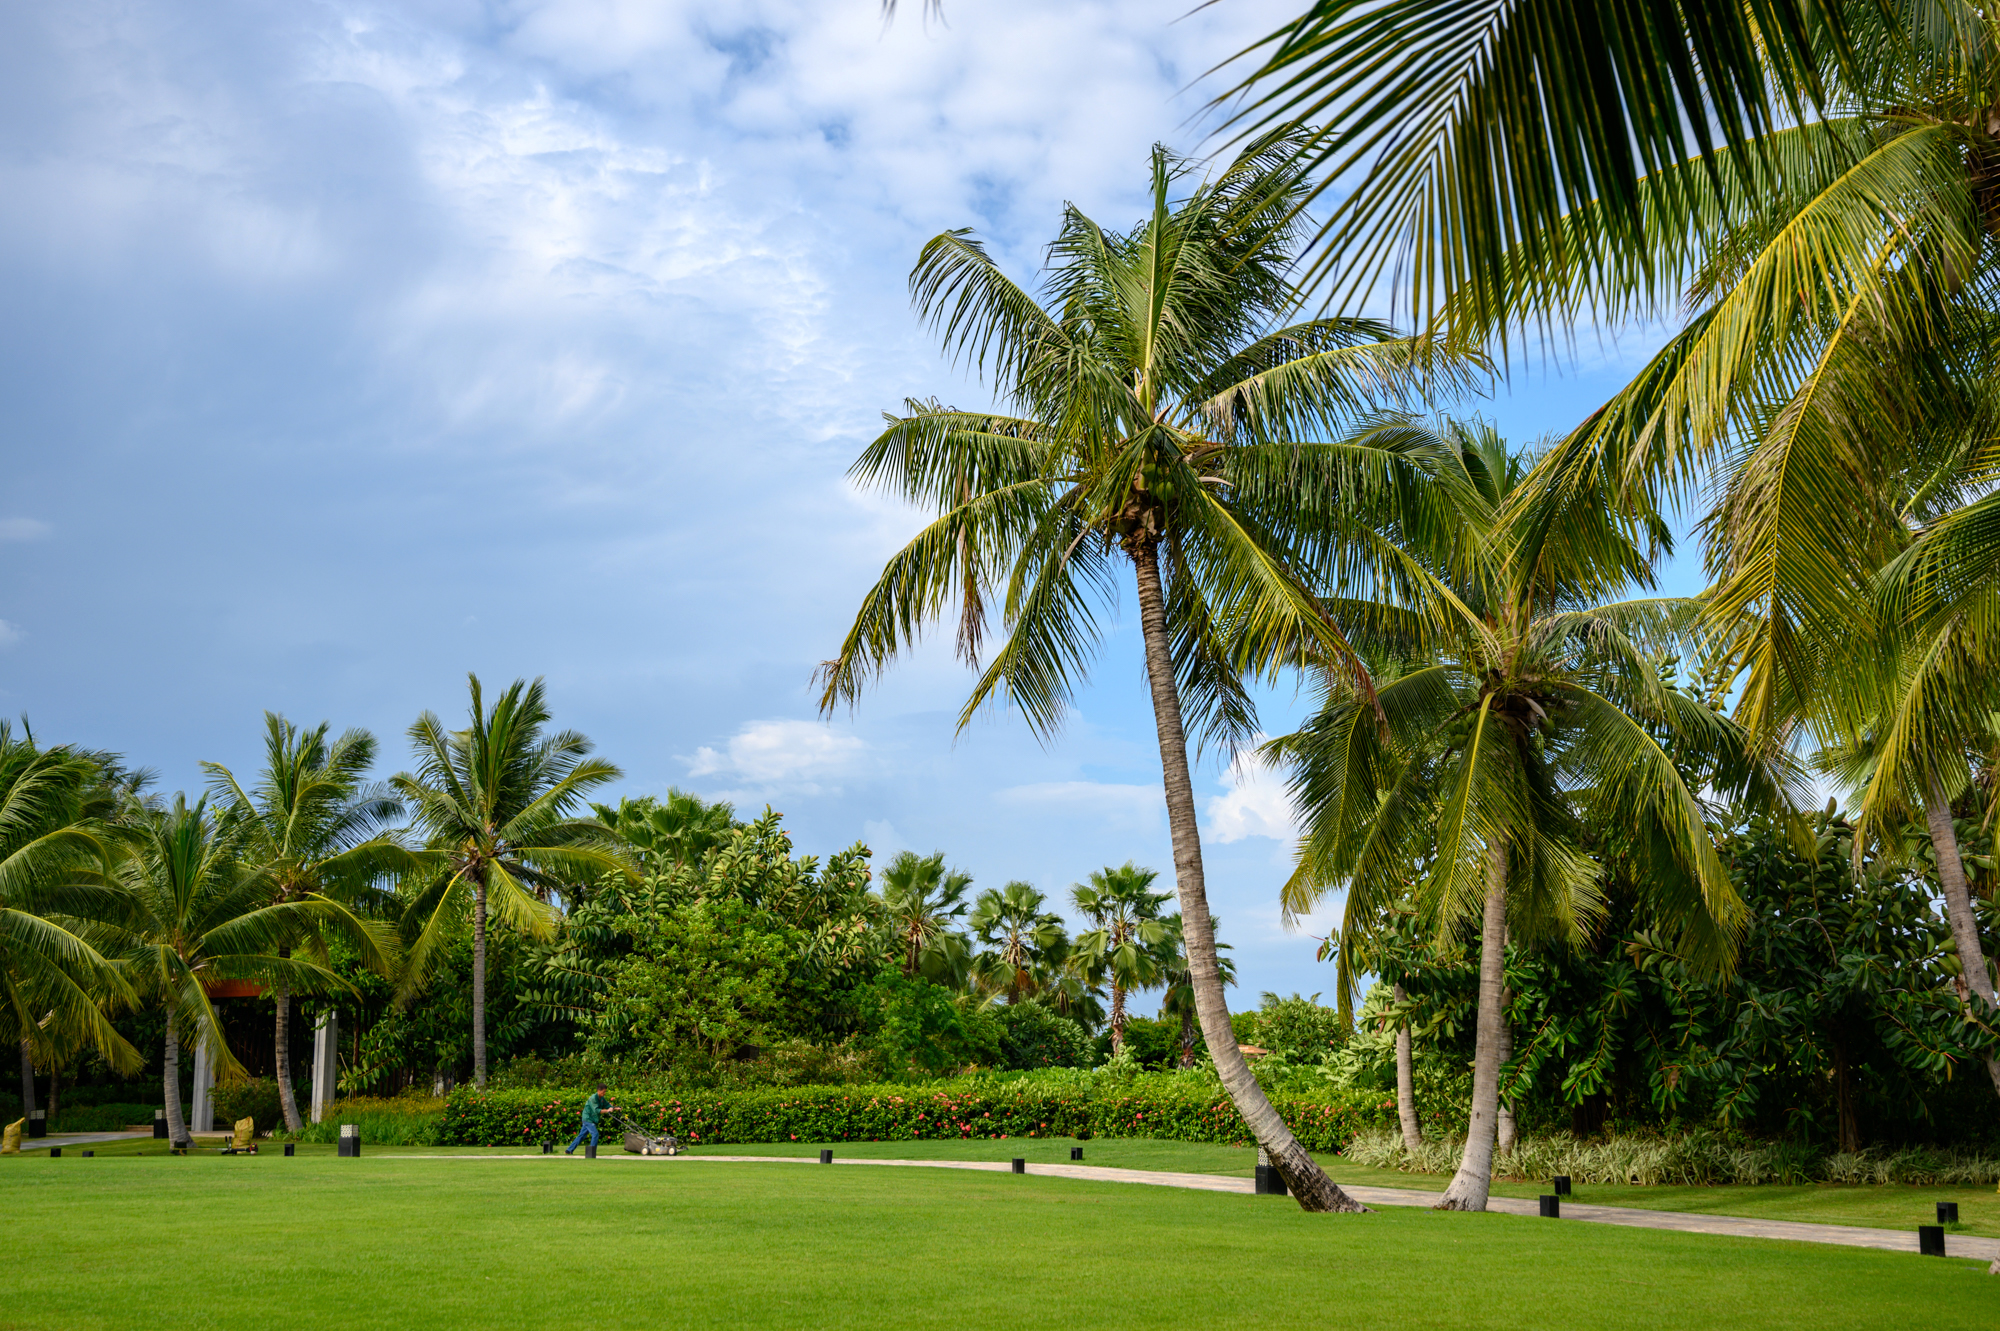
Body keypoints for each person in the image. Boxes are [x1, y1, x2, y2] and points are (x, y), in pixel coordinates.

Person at [566, 1083, 611, 1154]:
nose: (604, 1093)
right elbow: (596, 1110)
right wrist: (607, 1110)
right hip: (588, 1118)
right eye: (603, 1091)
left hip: (592, 1119)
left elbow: (608, 1105)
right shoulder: (593, 1098)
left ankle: (568, 1150)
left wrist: (616, 1108)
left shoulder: (601, 1098)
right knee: (595, 1134)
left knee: (581, 1136)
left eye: (605, 1091)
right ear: (599, 1090)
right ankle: (591, 1153)